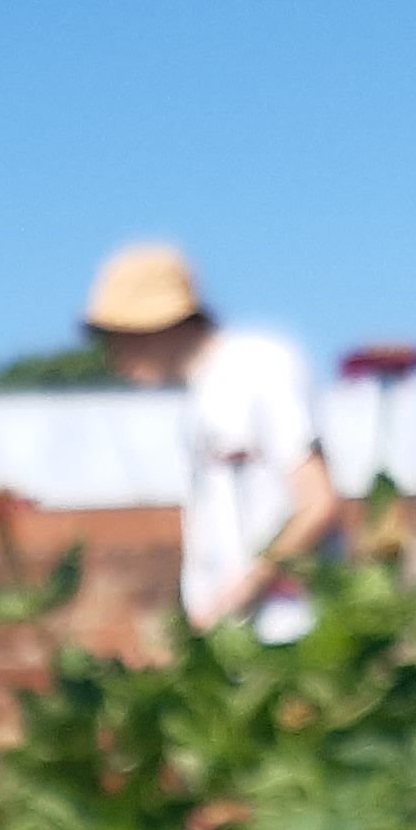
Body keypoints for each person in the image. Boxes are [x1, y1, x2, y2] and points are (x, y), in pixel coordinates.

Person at [82, 241, 347, 640]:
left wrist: (241, 596)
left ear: (159, 324)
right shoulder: (200, 398)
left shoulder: (261, 364)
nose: (114, 355)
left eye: (117, 337)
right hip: (242, 638)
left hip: (293, 635)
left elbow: (317, 503)